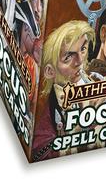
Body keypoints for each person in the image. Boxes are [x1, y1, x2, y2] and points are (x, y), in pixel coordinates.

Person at [32, 20, 95, 161]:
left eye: (83, 49)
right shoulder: (51, 114)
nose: (80, 61)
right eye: (68, 57)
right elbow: (40, 152)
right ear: (50, 71)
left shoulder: (92, 83)